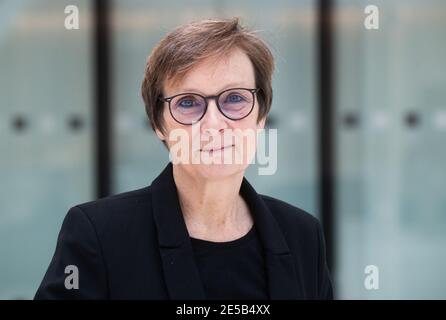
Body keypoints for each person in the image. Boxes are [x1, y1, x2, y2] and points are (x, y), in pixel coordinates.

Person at [35, 17, 333, 300]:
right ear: (158, 124)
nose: (214, 123)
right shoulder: (98, 234)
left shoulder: (303, 234)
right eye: (188, 103)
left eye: (235, 98)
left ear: (261, 116)